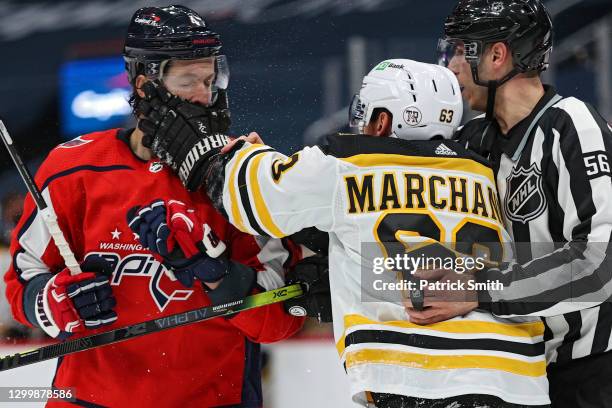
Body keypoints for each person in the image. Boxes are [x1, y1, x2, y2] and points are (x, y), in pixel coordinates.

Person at [137, 58, 551, 407]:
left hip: (419, 379)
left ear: (382, 119)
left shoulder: (350, 159)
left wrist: (213, 152)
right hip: (521, 379)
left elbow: (250, 199)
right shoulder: (485, 173)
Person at [3, 5, 303, 407]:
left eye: (210, 80)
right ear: (145, 86)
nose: (204, 94)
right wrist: (53, 301)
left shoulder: (241, 174)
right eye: (189, 80)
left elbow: (279, 321)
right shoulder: (72, 168)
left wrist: (217, 274)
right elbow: (23, 281)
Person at [414, 0, 612, 406]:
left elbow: (600, 261)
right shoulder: (469, 141)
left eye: (457, 49)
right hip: (513, 370)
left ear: (497, 55)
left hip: (592, 374)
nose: (449, 66)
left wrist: (482, 288)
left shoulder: (573, 125)